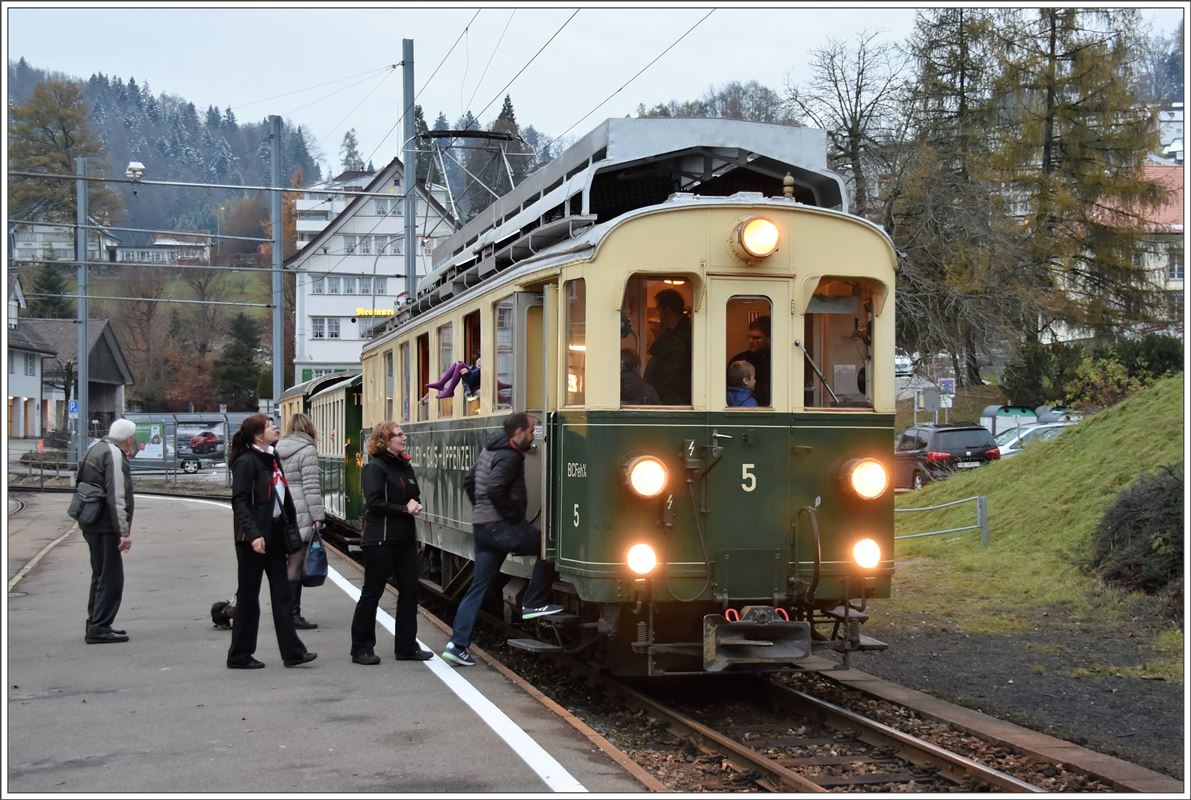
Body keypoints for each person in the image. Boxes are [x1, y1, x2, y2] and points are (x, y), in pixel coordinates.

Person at [441, 413, 563, 667]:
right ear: (518, 432)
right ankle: (534, 603)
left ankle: (457, 645)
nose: (533, 436)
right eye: (531, 431)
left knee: (478, 587)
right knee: (547, 547)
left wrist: (482, 510)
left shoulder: (490, 449)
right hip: (500, 527)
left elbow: (469, 480)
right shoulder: (509, 455)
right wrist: (510, 516)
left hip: (483, 529)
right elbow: (496, 488)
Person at [226, 415, 317, 670]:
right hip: (253, 540)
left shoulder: (272, 457)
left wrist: (292, 530)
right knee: (248, 598)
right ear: (257, 436)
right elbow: (240, 502)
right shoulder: (247, 462)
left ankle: (293, 652)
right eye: (268, 425)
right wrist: (254, 535)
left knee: (282, 595)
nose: (275, 427)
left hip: (276, 536)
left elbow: (282, 496)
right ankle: (239, 655)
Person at [350, 421, 432, 664]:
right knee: (372, 593)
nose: (403, 438)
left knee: (409, 590)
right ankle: (361, 648)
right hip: (380, 539)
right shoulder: (374, 468)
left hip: (405, 538)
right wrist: (404, 508)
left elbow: (413, 493)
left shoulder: (404, 466)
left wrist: (414, 504)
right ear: (384, 440)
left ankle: (406, 646)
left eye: (402, 434)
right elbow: (374, 503)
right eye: (398, 435)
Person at [77, 418, 136, 644]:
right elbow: (117, 496)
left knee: (99, 574)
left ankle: (95, 622)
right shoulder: (113, 454)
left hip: (91, 519)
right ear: (129, 438)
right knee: (111, 578)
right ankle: (100, 627)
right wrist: (124, 532)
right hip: (105, 524)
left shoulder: (95, 447)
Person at [277, 412, 326, 630]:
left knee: (285, 563)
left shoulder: (277, 448)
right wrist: (318, 516)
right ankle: (293, 613)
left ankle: (285, 611)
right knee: (296, 562)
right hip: (301, 510)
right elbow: (311, 486)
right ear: (309, 428)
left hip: (282, 508)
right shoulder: (308, 450)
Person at [642, 289, 692, 405]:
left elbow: (671, 383)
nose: (658, 316)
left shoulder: (675, 342)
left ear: (666, 310)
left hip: (671, 405)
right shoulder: (686, 335)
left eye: (658, 311)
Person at [729, 315, 771, 406]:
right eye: (749, 337)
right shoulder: (738, 361)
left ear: (770, 338)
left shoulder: (779, 362)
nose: (751, 341)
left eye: (757, 338)